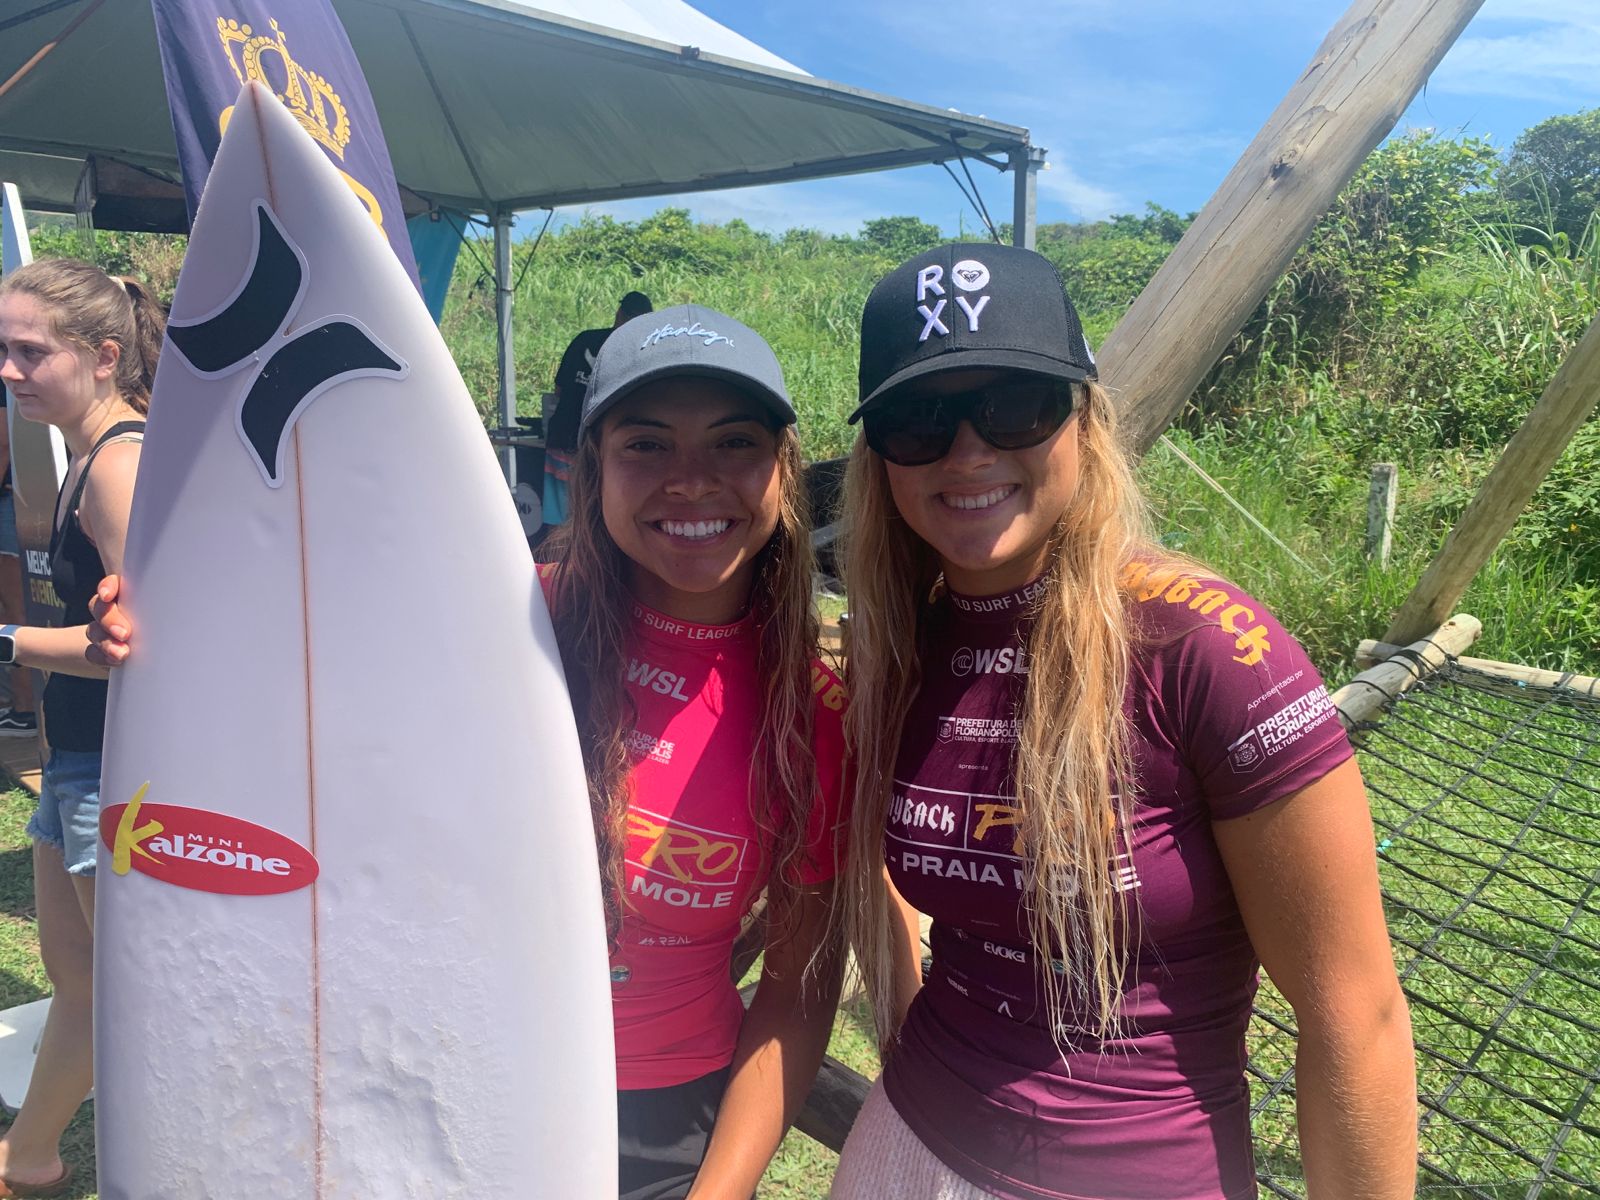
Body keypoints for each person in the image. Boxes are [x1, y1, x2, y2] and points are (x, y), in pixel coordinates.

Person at [90, 302, 848, 1200]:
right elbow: (297, 674)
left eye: (734, 444)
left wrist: (716, 1195)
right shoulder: (494, 620)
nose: (692, 480)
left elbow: (797, 992)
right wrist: (159, 627)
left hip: (667, 1126)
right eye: (646, 444)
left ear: (783, 468)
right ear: (589, 465)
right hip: (436, 1082)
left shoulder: (813, 711)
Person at [830, 245, 1416, 1200]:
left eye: (1017, 403)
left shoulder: (1204, 645)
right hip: (904, 1141)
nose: (968, 450)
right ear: (880, 457)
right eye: (920, 419)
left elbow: (1355, 1015)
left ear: (1085, 421)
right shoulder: (898, 644)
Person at [0, 258, 160, 1197]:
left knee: (135, 992)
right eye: (2, 351)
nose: (10, 371)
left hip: (116, 774)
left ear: (103, 357)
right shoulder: (83, 457)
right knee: (81, 982)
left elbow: (140, 643)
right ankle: (31, 1159)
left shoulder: (119, 465)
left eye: (30, 352)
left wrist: (12, 638)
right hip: (76, 769)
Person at [544, 290, 654, 528]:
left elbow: (559, 391)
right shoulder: (640, 351)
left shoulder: (585, 339)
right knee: (593, 518)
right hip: (599, 446)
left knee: (559, 520)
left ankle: (554, 564)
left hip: (565, 437)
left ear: (619, 313)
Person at [0, 400, 37, 735]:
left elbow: (3, 441)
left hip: (13, 499)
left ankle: (24, 708)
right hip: (17, 497)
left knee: (17, 607)